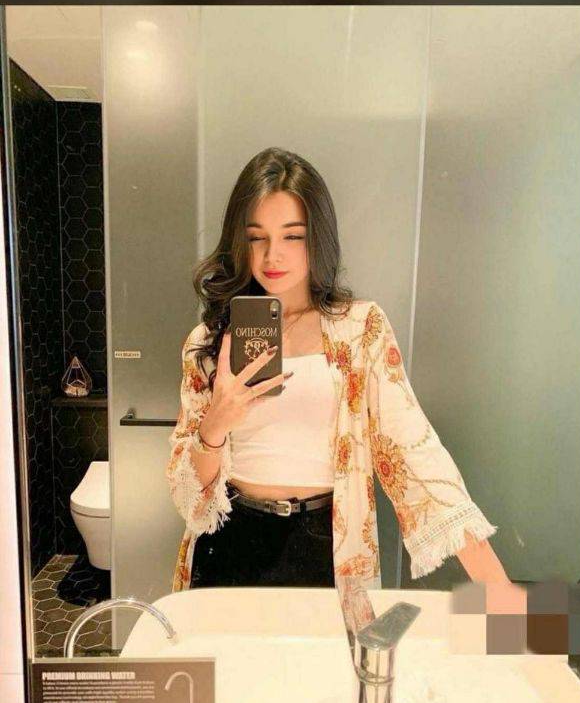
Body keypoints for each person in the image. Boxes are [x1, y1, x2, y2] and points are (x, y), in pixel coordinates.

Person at [167, 148, 526, 612]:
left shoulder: (360, 329)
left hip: (327, 549)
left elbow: (415, 454)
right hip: (229, 548)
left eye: (292, 236)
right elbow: (189, 498)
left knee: (337, 662)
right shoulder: (210, 343)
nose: (273, 255)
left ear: (318, 236)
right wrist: (215, 426)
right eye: (257, 238)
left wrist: (500, 592)